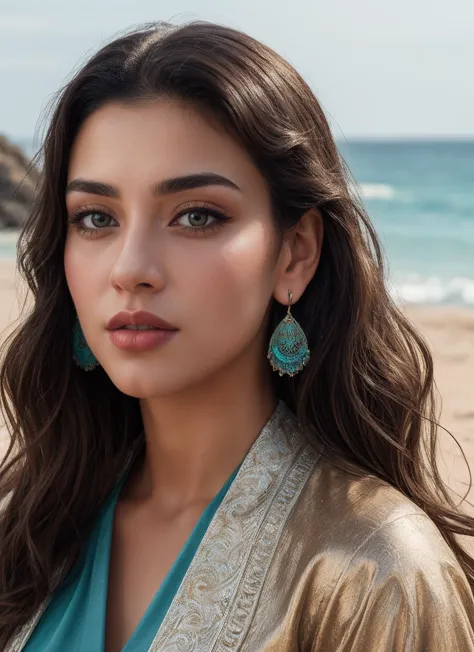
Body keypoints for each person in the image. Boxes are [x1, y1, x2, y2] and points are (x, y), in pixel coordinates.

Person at [0, 19, 473, 652]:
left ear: (294, 254)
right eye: (95, 218)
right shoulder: (35, 533)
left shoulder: (375, 570)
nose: (130, 270)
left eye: (196, 216)